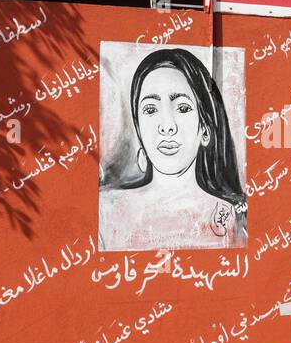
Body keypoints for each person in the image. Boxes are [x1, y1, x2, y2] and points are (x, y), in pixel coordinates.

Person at [99, 48, 246, 250]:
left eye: (183, 108)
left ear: (205, 128)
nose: (167, 126)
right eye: (151, 109)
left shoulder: (231, 217)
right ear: (139, 129)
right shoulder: (105, 211)